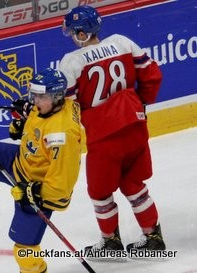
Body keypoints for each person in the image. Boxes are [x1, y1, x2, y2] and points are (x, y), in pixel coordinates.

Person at [59, 5, 166, 259]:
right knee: (133, 183)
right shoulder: (122, 42)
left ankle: (110, 241)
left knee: (100, 192)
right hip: (135, 127)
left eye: (74, 32)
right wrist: (138, 103)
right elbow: (152, 75)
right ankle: (153, 237)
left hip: (104, 137)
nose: (73, 36)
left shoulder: (71, 62)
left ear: (82, 33)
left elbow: (68, 107)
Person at [0, 68, 83, 273]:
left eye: (40, 96)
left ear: (57, 96)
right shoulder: (51, 106)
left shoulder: (62, 136)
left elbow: (61, 188)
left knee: (24, 251)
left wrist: (30, 192)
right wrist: (24, 122)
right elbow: (38, 123)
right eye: (34, 94)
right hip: (21, 164)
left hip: (43, 191)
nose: (34, 100)